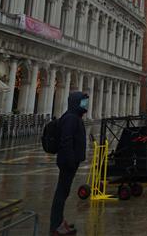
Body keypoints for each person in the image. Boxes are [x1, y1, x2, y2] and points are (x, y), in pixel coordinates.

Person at [50, 91, 88, 236]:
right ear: (76, 102)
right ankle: (56, 226)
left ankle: (60, 222)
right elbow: (66, 141)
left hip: (69, 161)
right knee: (61, 194)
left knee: (63, 193)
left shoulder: (74, 116)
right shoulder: (71, 118)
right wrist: (71, 160)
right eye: (83, 102)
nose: (85, 105)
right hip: (67, 162)